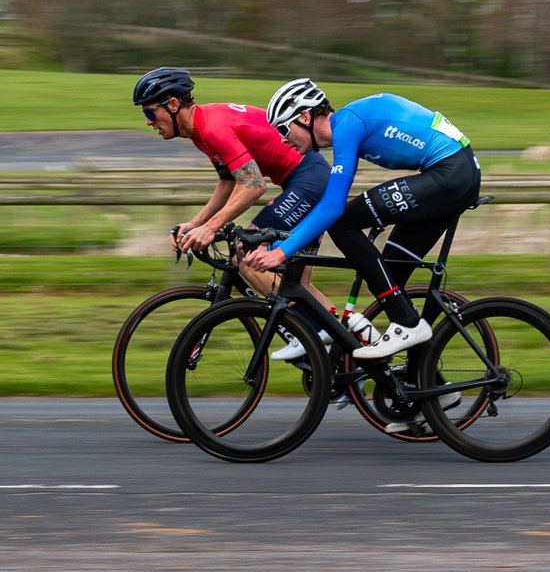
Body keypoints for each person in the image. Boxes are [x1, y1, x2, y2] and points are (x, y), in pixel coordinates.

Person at [243, 79, 481, 366]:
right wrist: (287, 244)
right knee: (389, 275)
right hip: (455, 174)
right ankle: (419, 380)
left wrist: (281, 252)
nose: (282, 139)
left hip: (451, 173)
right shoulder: (348, 126)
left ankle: (406, 323)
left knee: (344, 223)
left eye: (284, 128)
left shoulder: (347, 125)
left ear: (304, 116)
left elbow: (332, 207)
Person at [133, 66, 357, 360]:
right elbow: (229, 180)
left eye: (150, 114)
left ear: (173, 105)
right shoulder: (199, 130)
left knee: (246, 253)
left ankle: (312, 338)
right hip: (308, 180)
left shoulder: (211, 127)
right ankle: (347, 353)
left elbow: (253, 185)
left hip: (307, 181)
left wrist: (211, 228)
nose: (150, 122)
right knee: (297, 285)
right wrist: (195, 223)